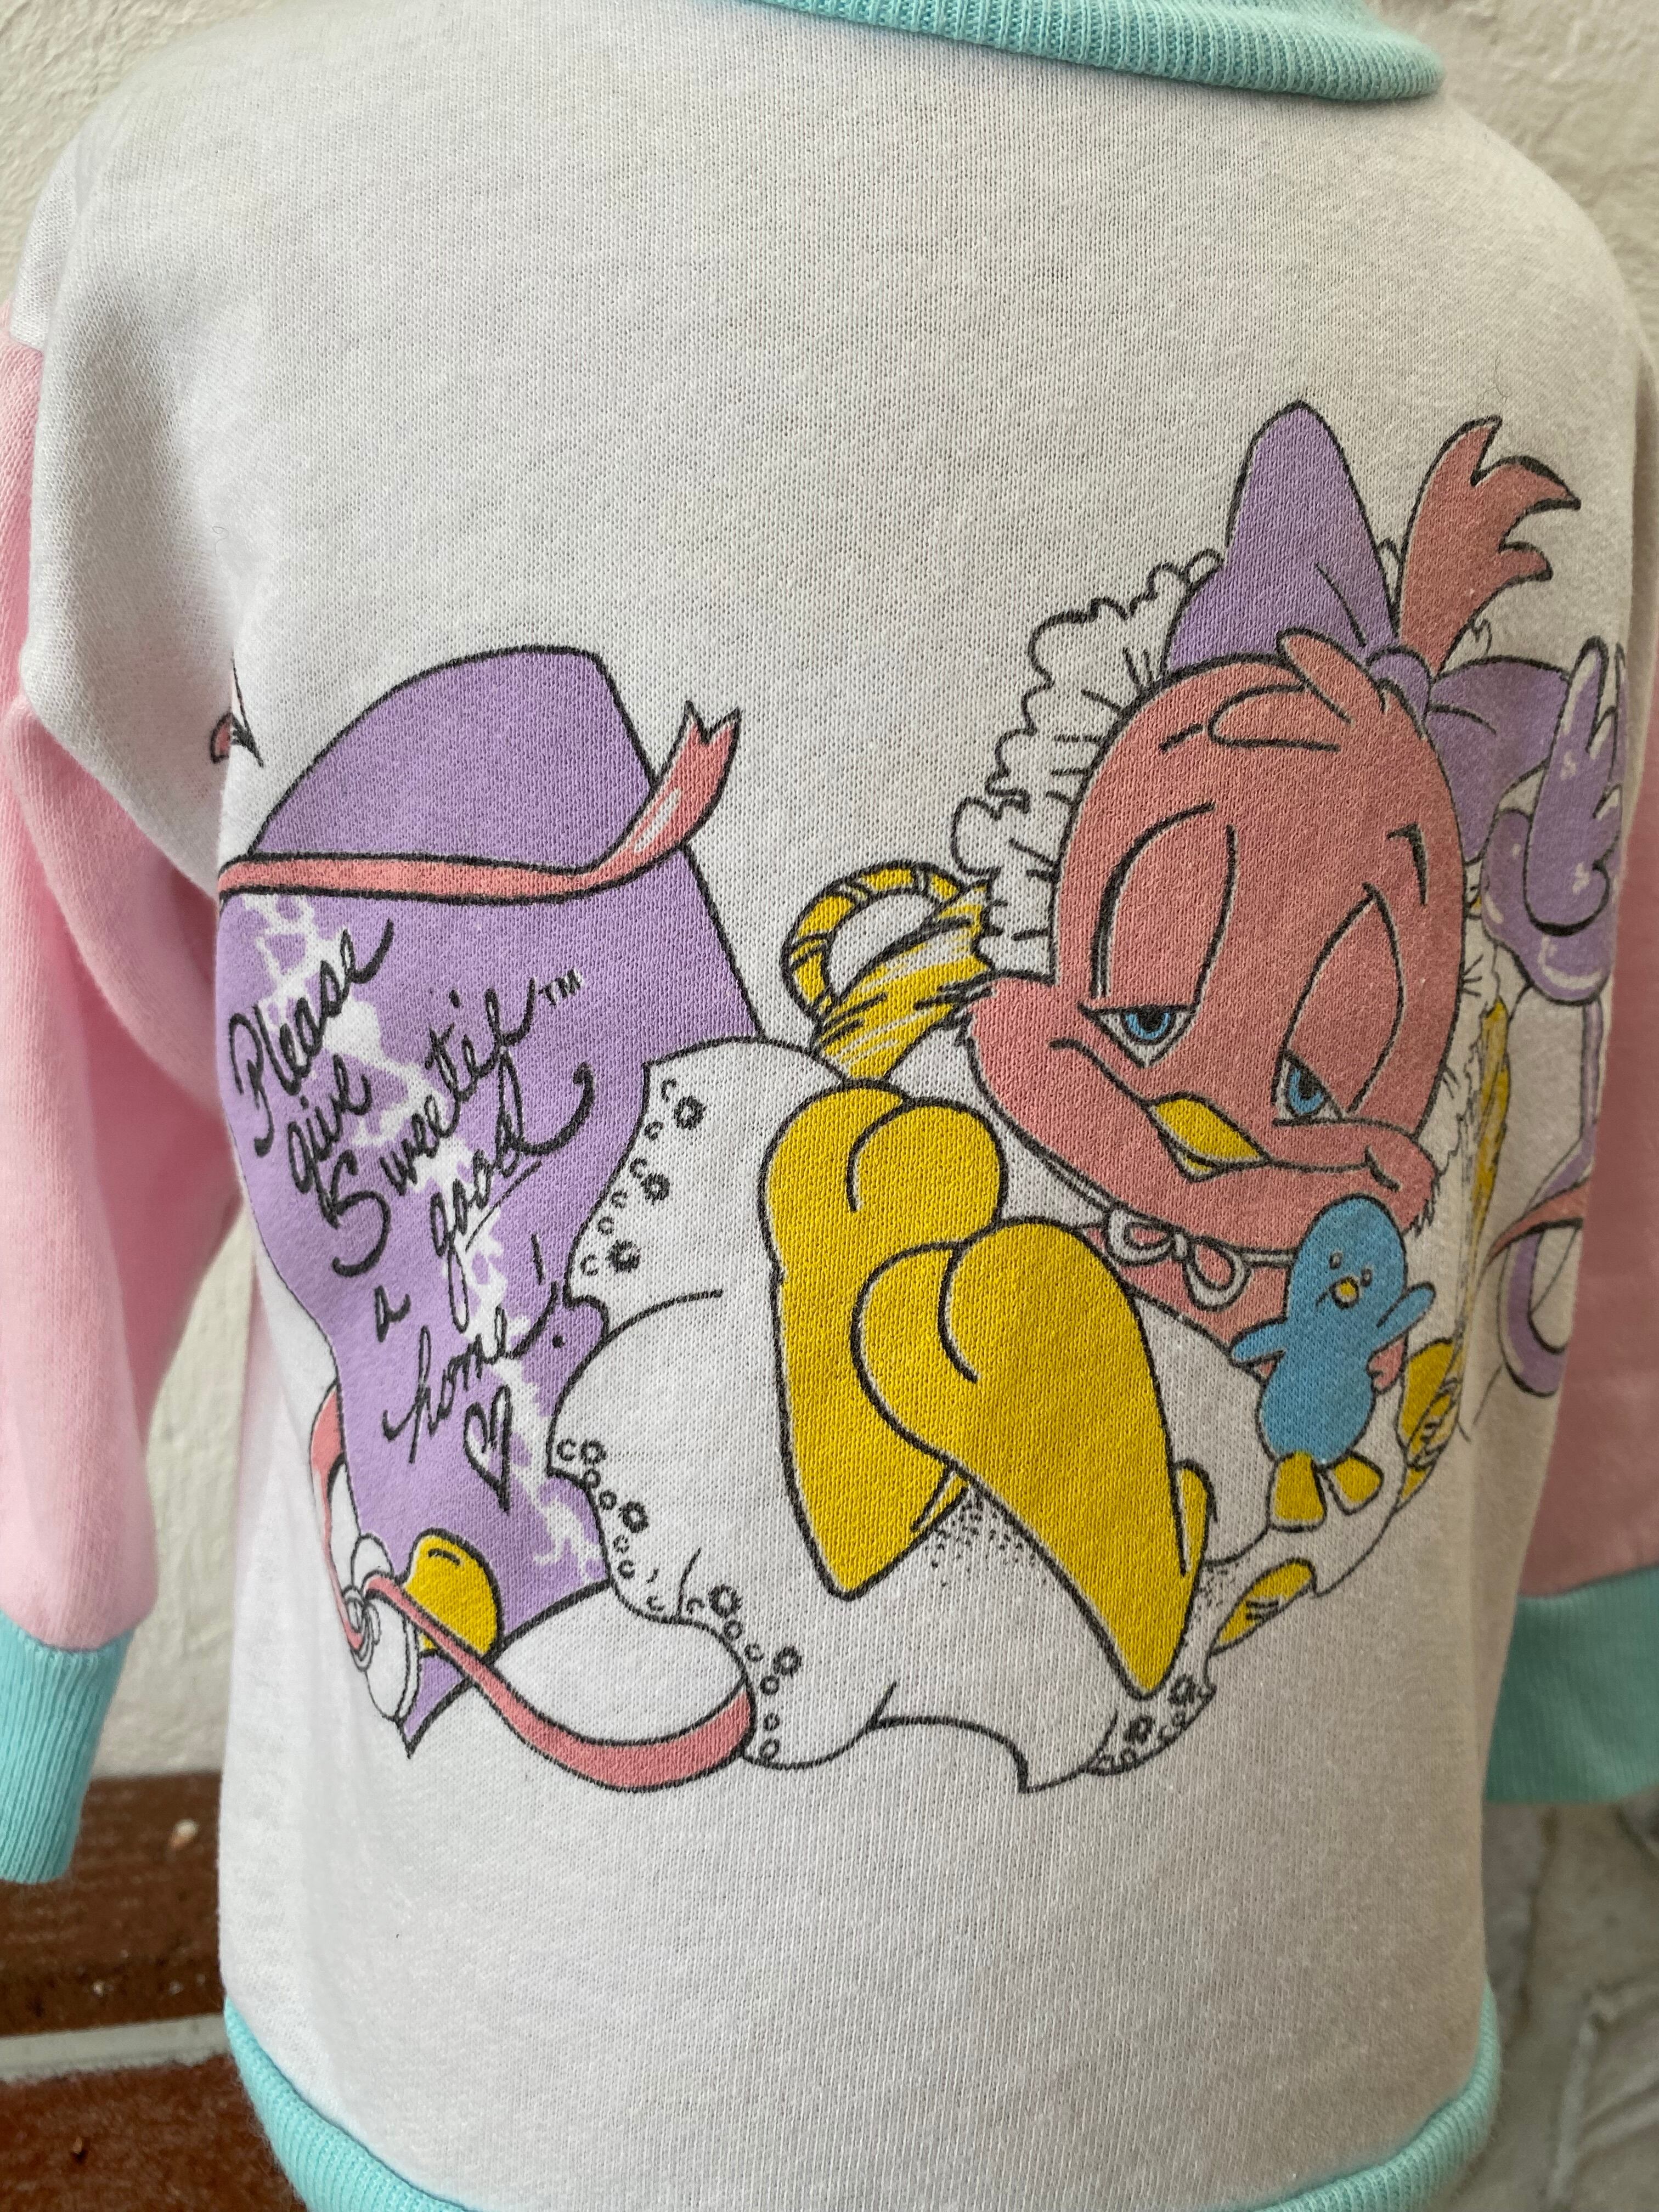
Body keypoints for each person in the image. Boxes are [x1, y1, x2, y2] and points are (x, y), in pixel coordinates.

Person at [1, 4, 1655, 2207]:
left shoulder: (213, 195)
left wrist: (37, 1609)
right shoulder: (211, 223)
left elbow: (1568, 1108)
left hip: (566, 2043)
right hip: (935, 2032)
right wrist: (1586, 1617)